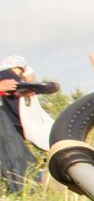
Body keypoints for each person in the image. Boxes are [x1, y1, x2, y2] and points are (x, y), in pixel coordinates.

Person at [0, 57, 58, 192]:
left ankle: (29, 187)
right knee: (13, 151)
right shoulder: (6, 74)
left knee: (15, 151)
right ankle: (26, 189)